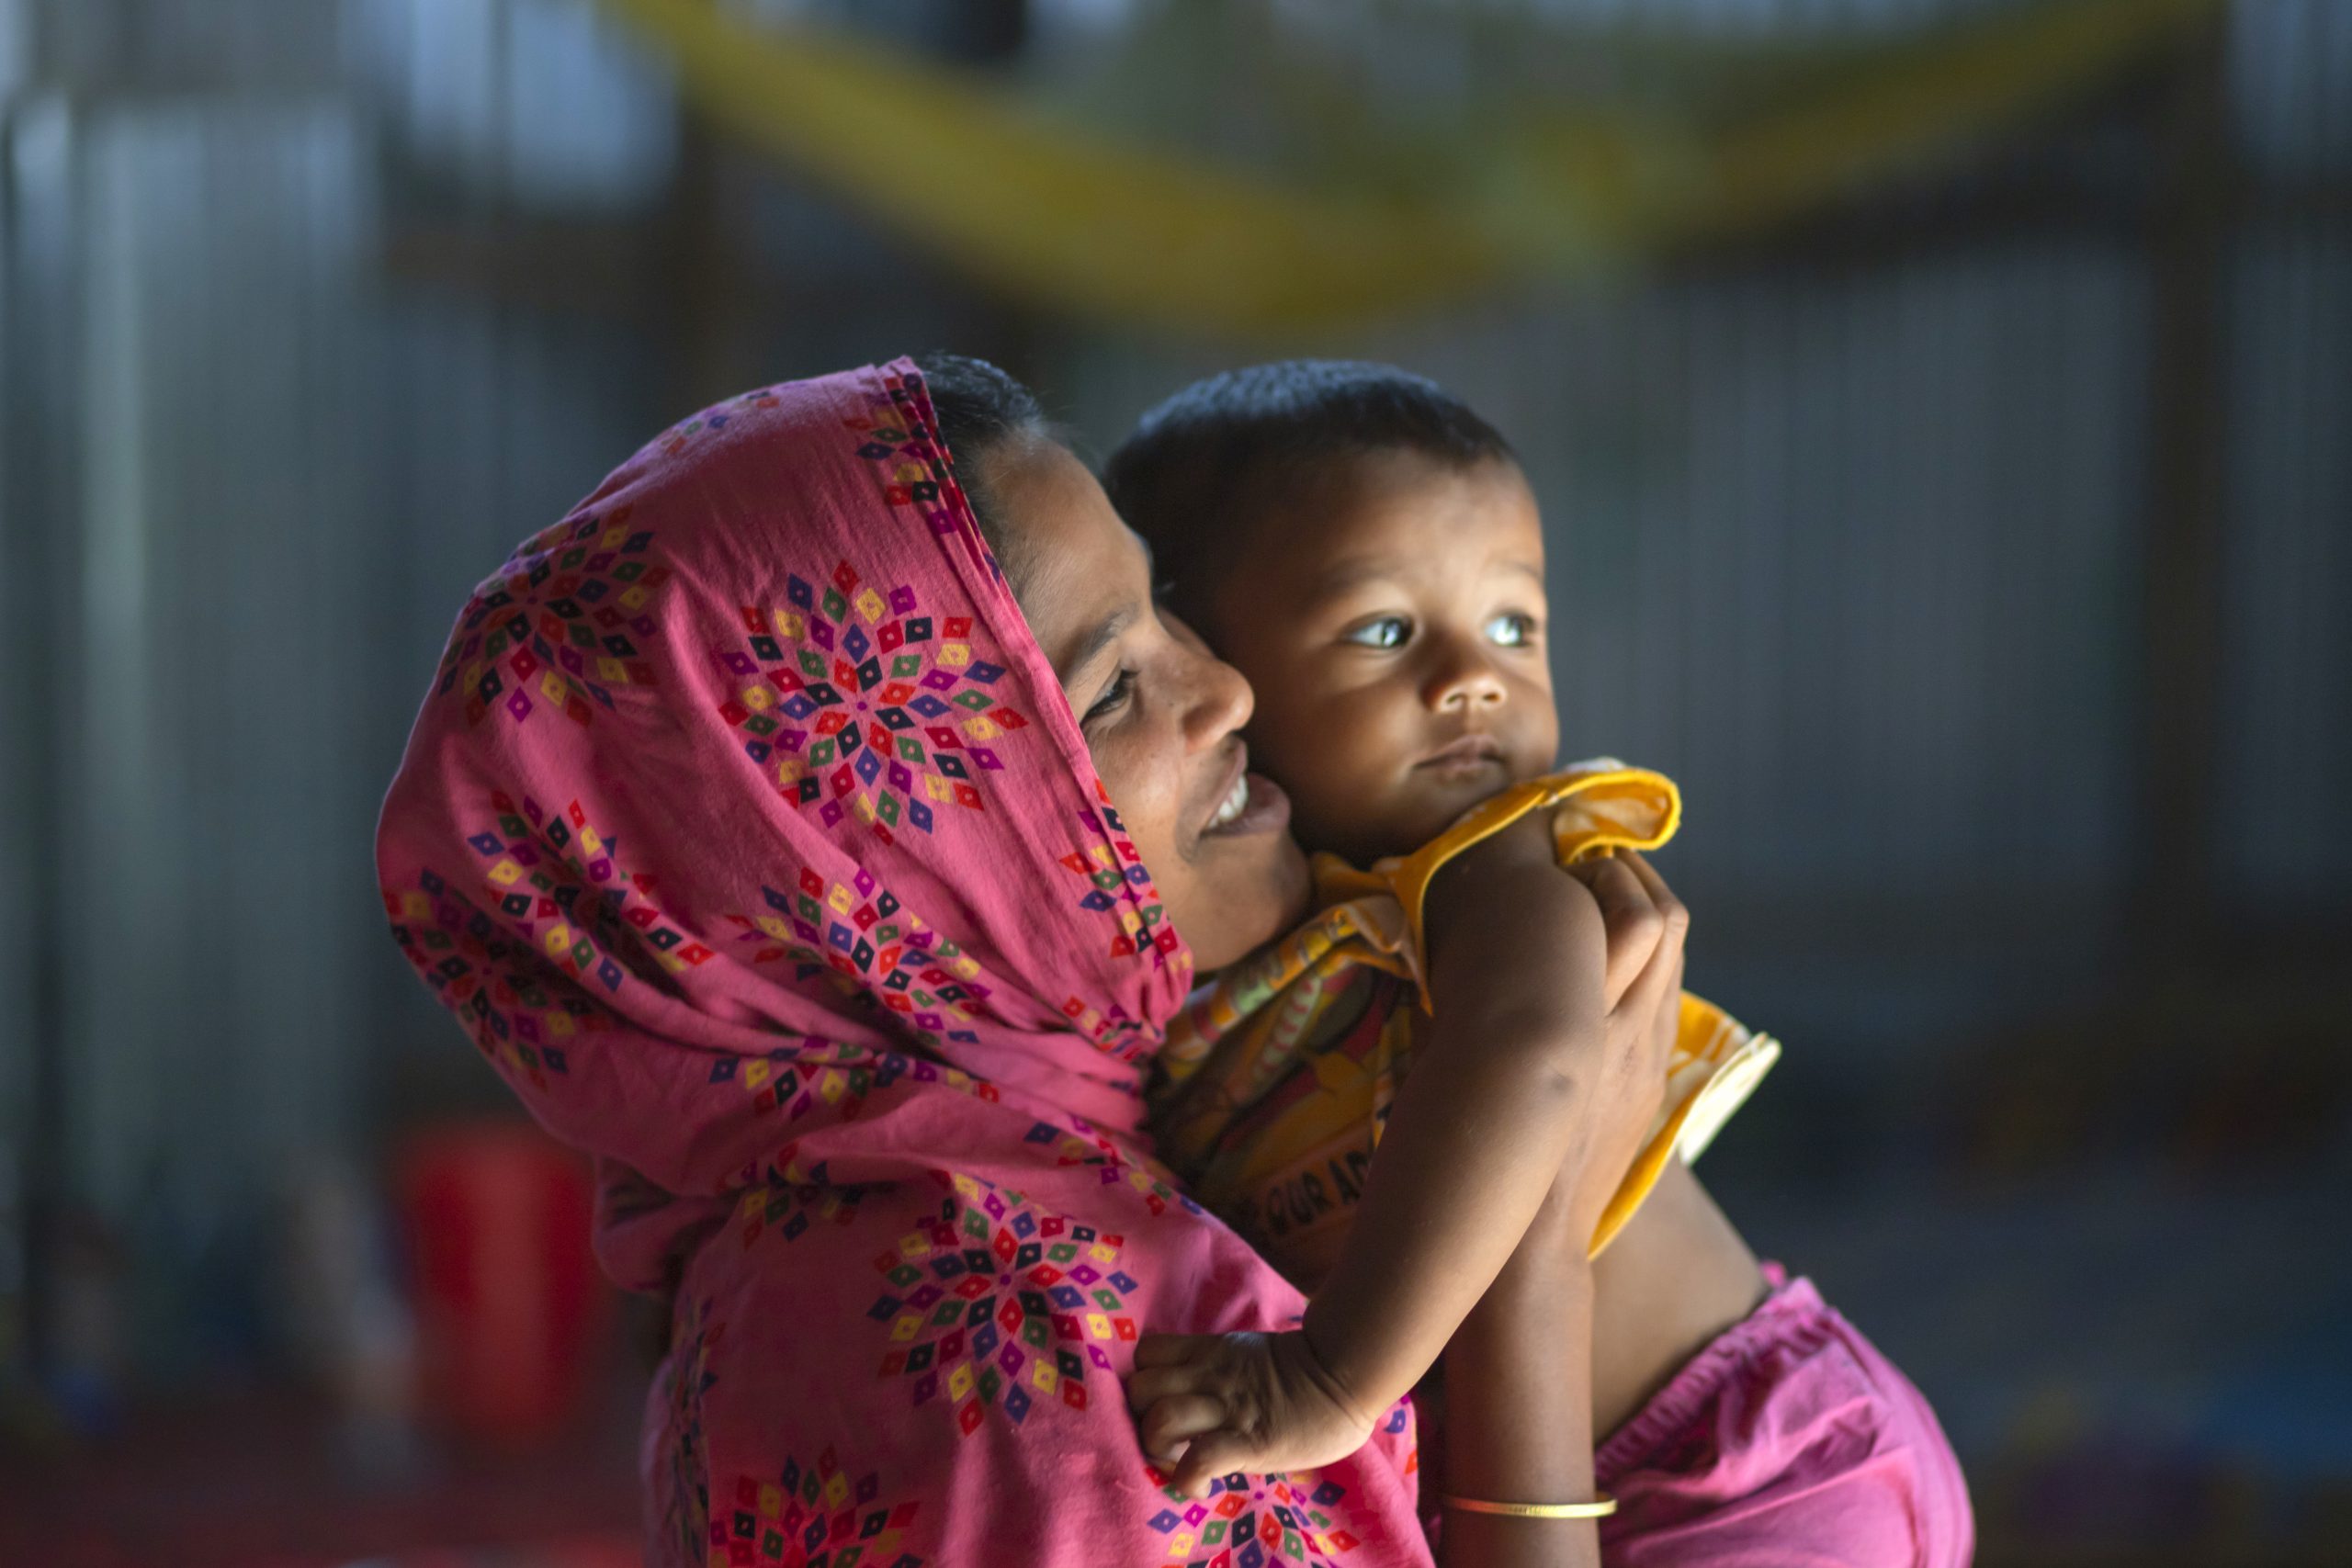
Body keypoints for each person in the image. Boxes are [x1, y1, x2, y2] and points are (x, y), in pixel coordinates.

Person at [376, 355, 1677, 1566]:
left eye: (1165, 605)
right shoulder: (1028, 1333)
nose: (1229, 688)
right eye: (1111, 689)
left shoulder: (856, 1230)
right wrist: (1530, 1276)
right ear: (878, 861)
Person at [1105, 359, 1975, 1566]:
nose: (1474, 677)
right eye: (1386, 630)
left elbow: (1536, 1050)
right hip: (1590, 1469)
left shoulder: (1482, 864)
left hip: (1738, 1460)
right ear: (1205, 662)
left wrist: (1330, 1377)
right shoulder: (1250, 931)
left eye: (1516, 624)